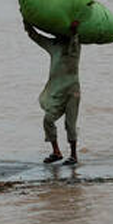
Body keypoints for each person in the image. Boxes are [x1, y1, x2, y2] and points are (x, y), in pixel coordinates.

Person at [24, 19, 82, 165]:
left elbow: (75, 43)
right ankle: (56, 152)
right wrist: (27, 23)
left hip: (72, 92)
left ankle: (74, 155)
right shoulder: (54, 46)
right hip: (57, 92)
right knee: (48, 120)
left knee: (70, 124)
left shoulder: (73, 48)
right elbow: (36, 37)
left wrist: (74, 32)